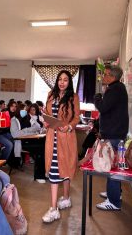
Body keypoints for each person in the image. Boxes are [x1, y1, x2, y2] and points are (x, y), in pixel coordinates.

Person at [42, 70, 80, 223]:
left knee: (66, 168)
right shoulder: (51, 94)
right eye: (60, 79)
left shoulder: (73, 97)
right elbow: (48, 113)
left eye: (65, 80)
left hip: (67, 137)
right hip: (53, 136)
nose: (62, 82)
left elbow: (76, 117)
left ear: (69, 82)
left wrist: (69, 127)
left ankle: (66, 198)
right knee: (54, 170)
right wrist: (45, 121)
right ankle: (53, 209)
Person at [94, 65, 129, 211]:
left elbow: (102, 107)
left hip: (114, 135)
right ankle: (114, 193)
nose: (103, 76)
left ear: (113, 77)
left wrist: (97, 97)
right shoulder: (118, 88)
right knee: (113, 164)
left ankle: (113, 201)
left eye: (106, 74)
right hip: (116, 133)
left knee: (111, 167)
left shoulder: (115, 89)